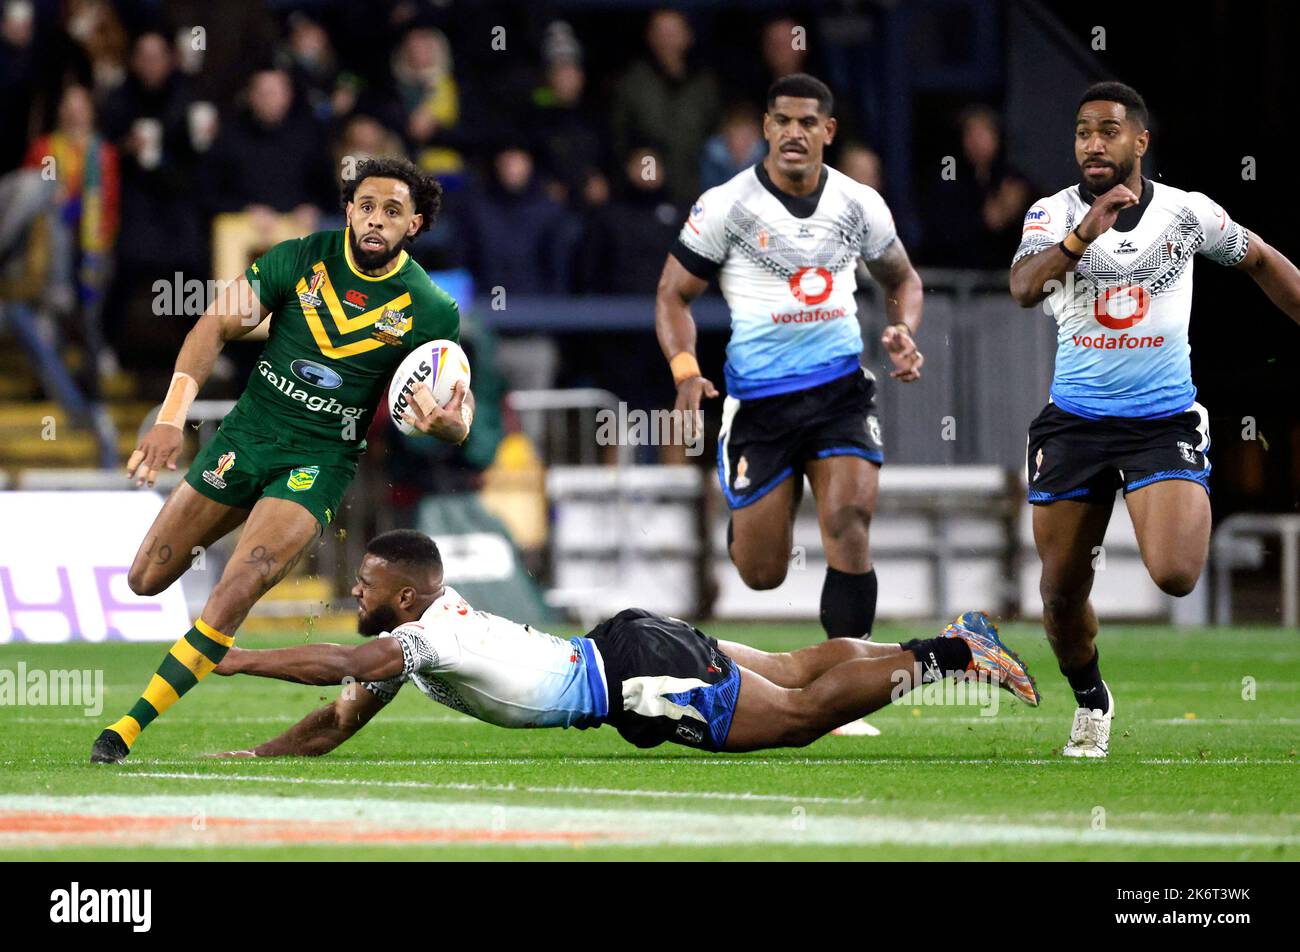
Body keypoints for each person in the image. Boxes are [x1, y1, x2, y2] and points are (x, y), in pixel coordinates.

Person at [90, 156, 475, 764]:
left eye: (393, 212)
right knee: (145, 579)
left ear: (416, 225)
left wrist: (448, 423)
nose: (376, 220)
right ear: (349, 210)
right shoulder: (299, 258)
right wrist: (170, 417)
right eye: (367, 206)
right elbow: (213, 325)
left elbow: (459, 415)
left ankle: (126, 729)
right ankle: (183, 668)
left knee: (236, 585)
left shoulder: (430, 309)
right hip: (246, 437)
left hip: (319, 461)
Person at [1009, 82, 1300, 757]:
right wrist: (1087, 231)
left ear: (1140, 142)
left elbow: (1256, 258)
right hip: (1074, 422)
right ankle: (1091, 700)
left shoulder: (1187, 214)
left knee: (1174, 573)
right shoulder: (1052, 214)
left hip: (1161, 419)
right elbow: (1024, 288)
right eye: (1083, 131)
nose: (1092, 143)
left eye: (1108, 131)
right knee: (1058, 598)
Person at [208, 530, 1039, 757]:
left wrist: (236, 656)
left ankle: (956, 656)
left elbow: (346, 666)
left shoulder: (420, 638)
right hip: (628, 643)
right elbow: (338, 717)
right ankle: (945, 641)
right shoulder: (421, 633)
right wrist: (258, 755)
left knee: (793, 717)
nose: (356, 593)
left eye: (367, 583)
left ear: (408, 594)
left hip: (631, 678)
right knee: (790, 669)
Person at [654, 73, 924, 734]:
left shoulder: (860, 204)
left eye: (809, 122)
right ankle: (749, 523)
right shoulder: (727, 205)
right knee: (761, 572)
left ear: (828, 132)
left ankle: (845, 696)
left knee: (850, 519)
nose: (795, 133)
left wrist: (904, 330)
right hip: (761, 407)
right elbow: (672, 294)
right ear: (766, 129)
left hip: (839, 392)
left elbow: (904, 279)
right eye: (783, 121)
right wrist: (687, 372)